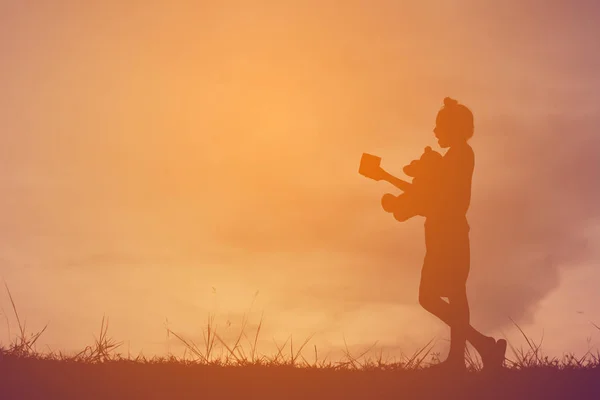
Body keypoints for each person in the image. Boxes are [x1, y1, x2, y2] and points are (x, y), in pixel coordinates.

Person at [380, 97, 507, 371]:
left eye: (439, 126)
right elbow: (428, 195)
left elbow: (434, 197)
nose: (435, 132)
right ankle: (474, 352)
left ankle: (468, 354)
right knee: (452, 295)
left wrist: (395, 187)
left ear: (454, 127)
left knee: (438, 296)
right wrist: (387, 177)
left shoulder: (460, 154)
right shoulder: (457, 155)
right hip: (444, 232)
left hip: (448, 234)